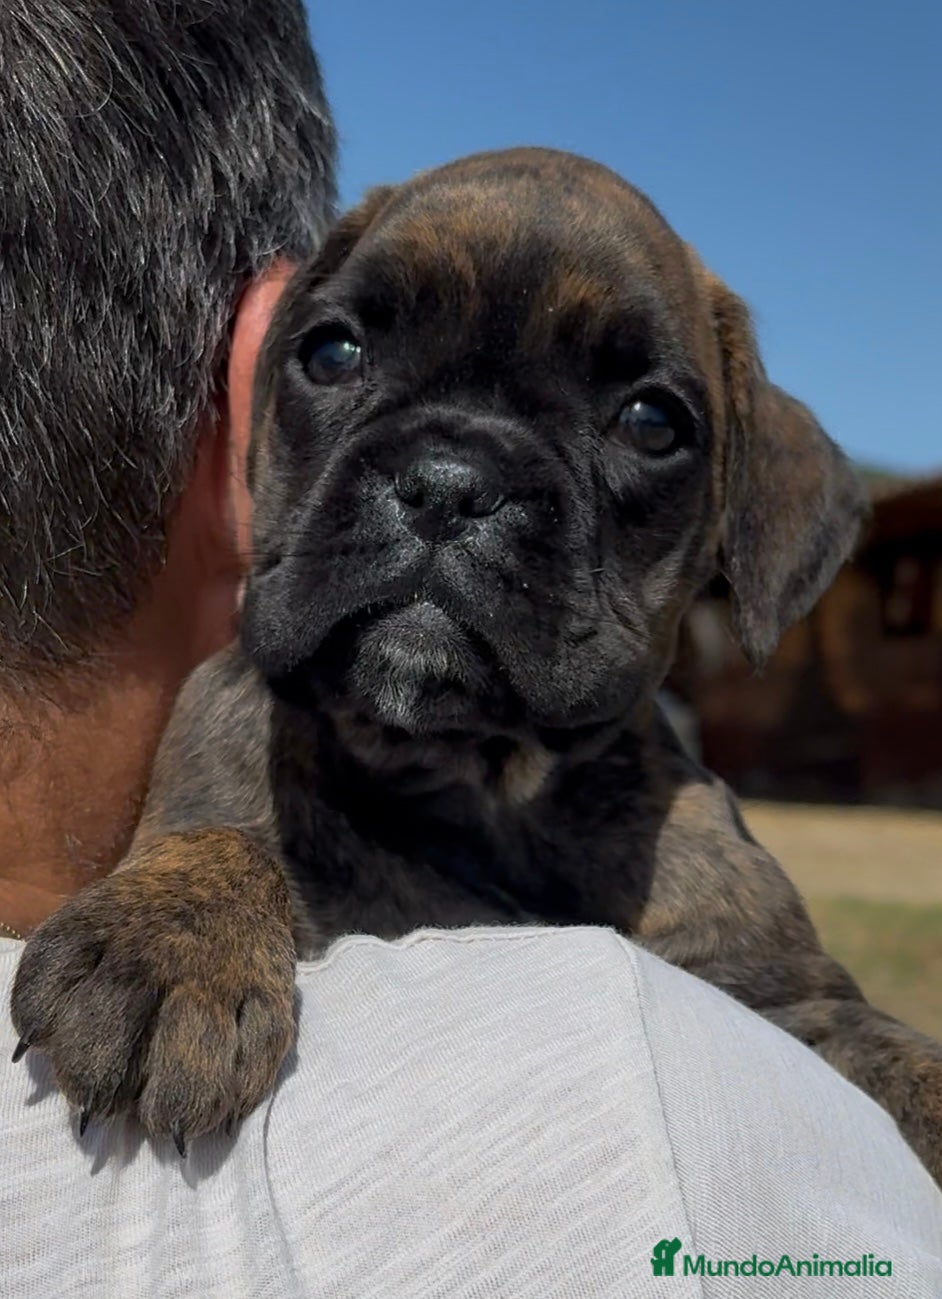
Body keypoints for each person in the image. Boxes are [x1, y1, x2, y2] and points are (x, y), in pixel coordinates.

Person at [0, 4, 940, 1296]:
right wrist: (204, 881)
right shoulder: (230, 759)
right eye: (339, 352)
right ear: (253, 388)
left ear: (742, 517)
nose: (444, 480)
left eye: (646, 424)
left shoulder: (686, 856)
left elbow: (822, 1033)